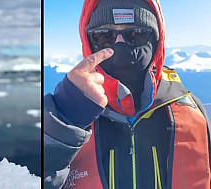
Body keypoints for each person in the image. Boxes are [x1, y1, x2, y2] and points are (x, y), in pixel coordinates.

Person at [44, 0, 211, 188]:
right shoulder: (67, 115)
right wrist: (60, 127)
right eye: (103, 36)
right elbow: (20, 179)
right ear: (89, 42)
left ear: (156, 40)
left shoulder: (192, 113)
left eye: (135, 34)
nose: (119, 45)